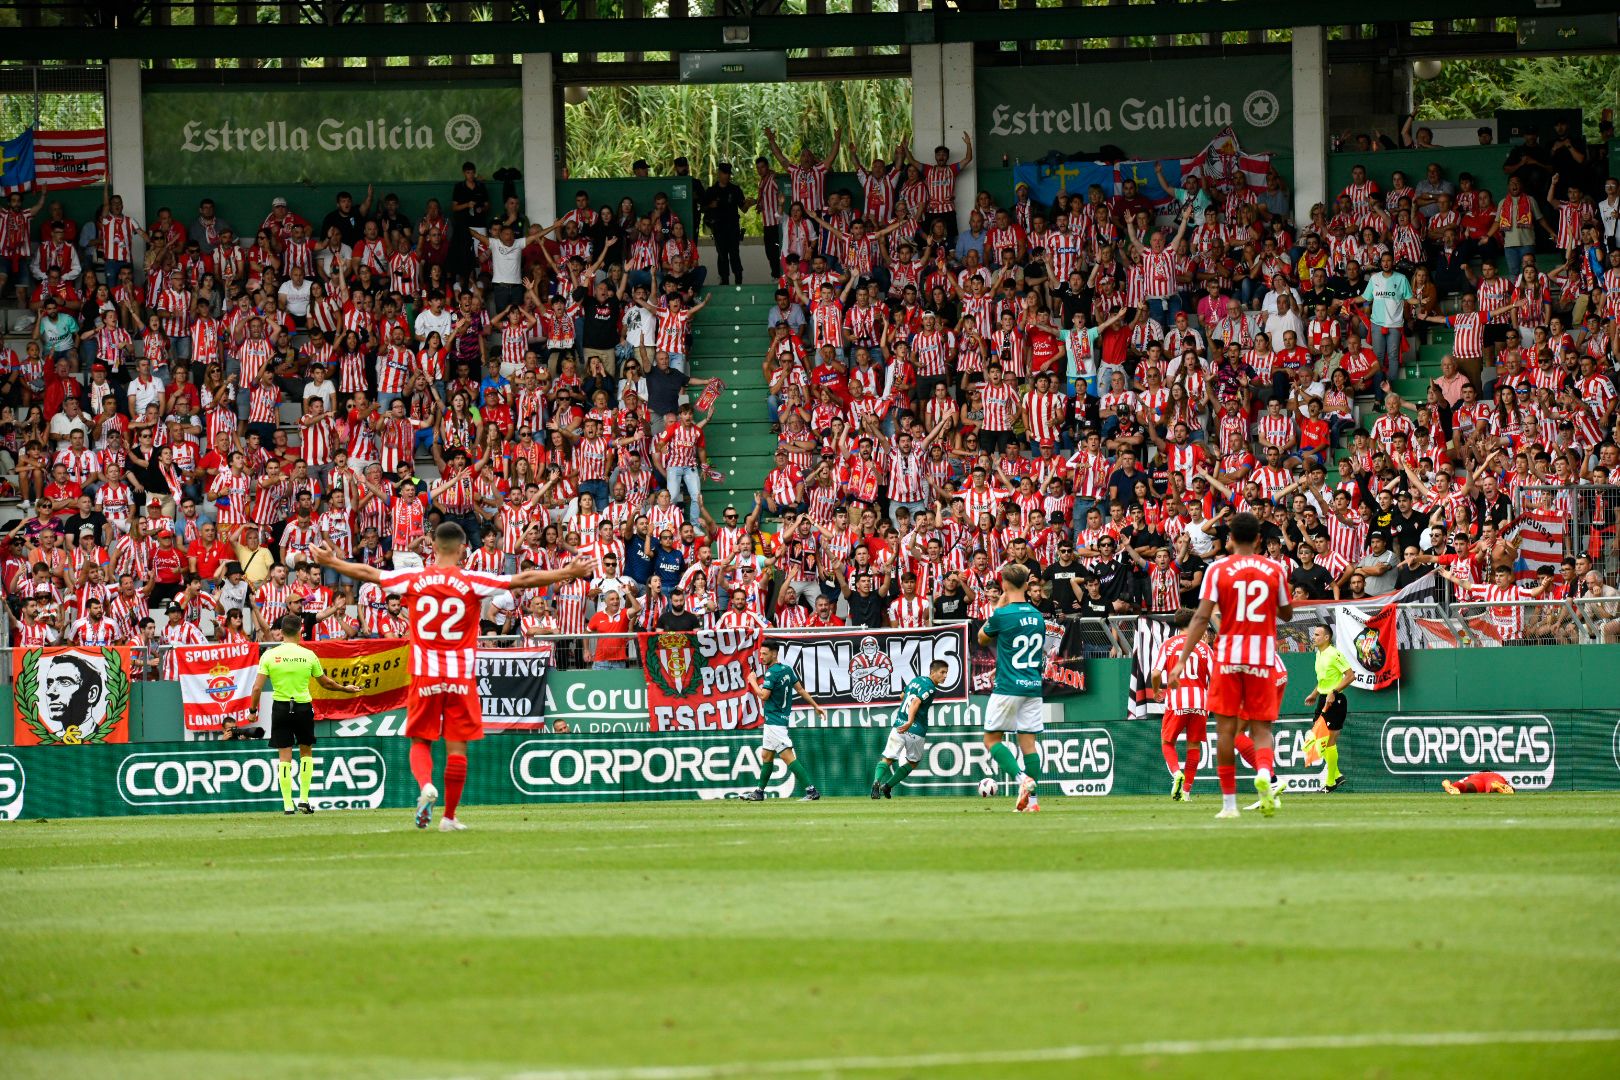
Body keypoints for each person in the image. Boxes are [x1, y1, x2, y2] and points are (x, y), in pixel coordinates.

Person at [312, 523, 592, 831]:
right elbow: (523, 578)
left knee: (420, 741)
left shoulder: (414, 578)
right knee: (457, 748)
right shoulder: (471, 580)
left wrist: (331, 563)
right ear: (462, 549)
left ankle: (425, 787)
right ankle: (449, 817)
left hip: (424, 673)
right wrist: (567, 573)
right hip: (460, 675)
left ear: (433, 547)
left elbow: (368, 573)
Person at [1167, 511, 1292, 820]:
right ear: (1260, 539)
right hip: (1262, 657)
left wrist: (1182, 659)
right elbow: (1287, 614)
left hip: (1228, 657)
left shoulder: (1217, 569)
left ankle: (1229, 805)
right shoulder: (1274, 569)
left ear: (1230, 539)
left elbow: (1200, 617)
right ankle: (1264, 771)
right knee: (1261, 729)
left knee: (1225, 731)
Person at [249, 613, 364, 815]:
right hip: (303, 708)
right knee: (306, 753)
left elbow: (257, 688)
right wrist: (345, 689)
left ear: (281, 632)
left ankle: (287, 804)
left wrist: (252, 711)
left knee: (284, 757)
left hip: (281, 708)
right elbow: (326, 683)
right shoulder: (308, 655)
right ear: (301, 631)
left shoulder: (269, 655)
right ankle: (303, 799)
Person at [976, 562, 1047, 813]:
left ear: (1004, 585)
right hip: (1033, 686)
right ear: (1027, 585)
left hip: (1008, 686)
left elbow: (982, 638)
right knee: (1029, 744)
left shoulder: (1003, 615)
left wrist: (997, 607)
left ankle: (1021, 779)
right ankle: (1034, 803)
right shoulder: (1038, 616)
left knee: (991, 739)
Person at [740, 639, 827, 802]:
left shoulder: (772, 672)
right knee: (766, 756)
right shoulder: (787, 670)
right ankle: (759, 792)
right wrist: (816, 706)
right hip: (777, 720)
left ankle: (811, 790)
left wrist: (752, 681)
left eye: (765, 654)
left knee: (788, 757)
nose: (762, 657)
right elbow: (800, 689)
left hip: (775, 722)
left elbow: (764, 695)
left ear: (774, 653)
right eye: (760, 654)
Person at [1152, 610, 1214, 803]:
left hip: (1177, 700)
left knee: (1167, 742)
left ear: (1176, 624)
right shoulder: (1204, 647)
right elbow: (1217, 677)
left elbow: (1155, 674)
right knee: (1193, 746)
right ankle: (1186, 791)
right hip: (1200, 701)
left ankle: (1177, 773)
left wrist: (1156, 691)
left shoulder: (1168, 645)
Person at [871, 658, 949, 799]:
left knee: (887, 758)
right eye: (942, 672)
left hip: (898, 725)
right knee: (913, 762)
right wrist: (910, 721)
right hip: (915, 729)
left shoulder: (916, 680)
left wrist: (905, 719)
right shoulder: (930, 688)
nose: (945, 676)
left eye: (946, 673)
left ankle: (876, 781)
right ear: (932, 672)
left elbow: (903, 696)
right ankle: (887, 786)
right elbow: (915, 702)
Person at [1301, 623, 1354, 793]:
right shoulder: (1319, 654)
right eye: (1314, 634)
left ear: (1326, 638)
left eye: (1317, 634)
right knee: (1317, 740)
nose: (1313, 637)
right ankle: (1336, 775)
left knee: (1328, 741)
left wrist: (1334, 692)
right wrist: (1315, 693)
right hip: (1323, 699)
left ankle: (1330, 782)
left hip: (1335, 701)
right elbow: (1324, 679)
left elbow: (1350, 675)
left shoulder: (1334, 653)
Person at [1442, 772, 1514, 795]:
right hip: (1493, 777)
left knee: (1465, 787)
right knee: (1493, 784)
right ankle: (1495, 786)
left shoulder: (1472, 775)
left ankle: (1447, 785)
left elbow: (1462, 782)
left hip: (1475, 779)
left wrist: (1446, 783)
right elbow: (1512, 788)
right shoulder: (1494, 774)